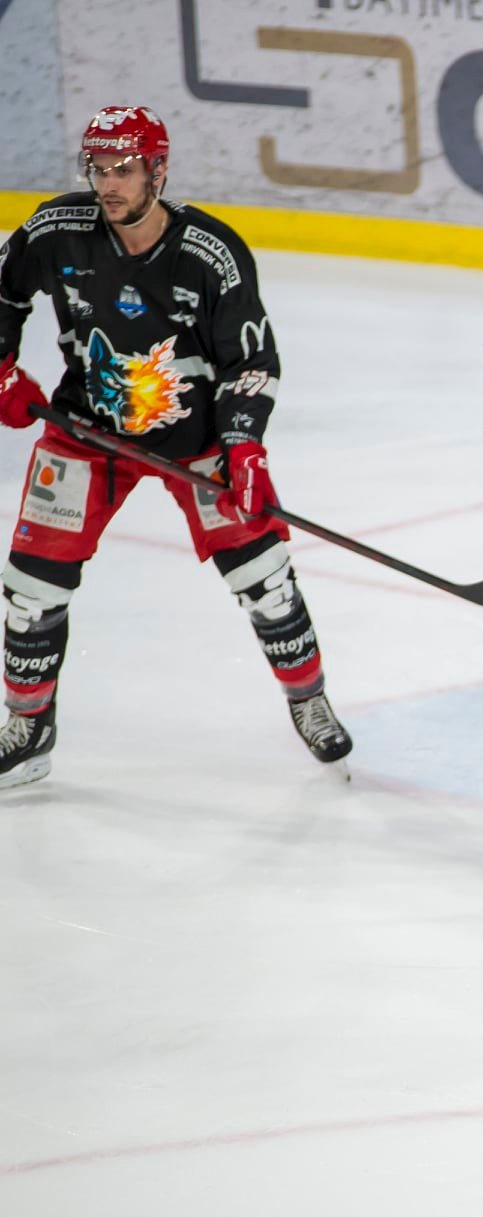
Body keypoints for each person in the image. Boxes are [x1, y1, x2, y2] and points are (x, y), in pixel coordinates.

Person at [0, 105, 351, 789]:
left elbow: (252, 362)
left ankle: (308, 699)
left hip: (198, 440)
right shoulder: (56, 231)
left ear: (158, 171)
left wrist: (243, 445)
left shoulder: (210, 253)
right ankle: (29, 726)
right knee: (30, 589)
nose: (108, 184)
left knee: (266, 579)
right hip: (86, 430)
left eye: (124, 169)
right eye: (98, 169)